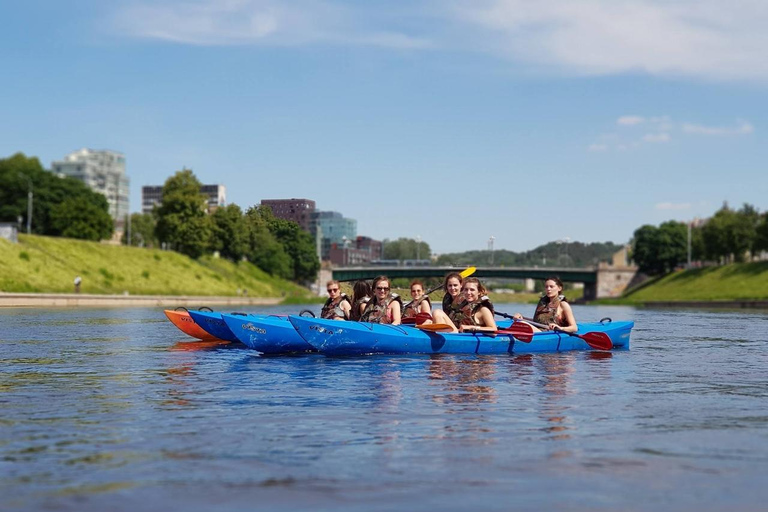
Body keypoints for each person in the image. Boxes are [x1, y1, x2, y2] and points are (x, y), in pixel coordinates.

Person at [513, 276, 577, 333]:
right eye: (546, 287)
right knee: (519, 322)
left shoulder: (563, 305)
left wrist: (560, 328)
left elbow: (574, 328)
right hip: (538, 331)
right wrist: (522, 318)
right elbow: (536, 322)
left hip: (550, 333)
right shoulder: (542, 303)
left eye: (551, 287)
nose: (548, 289)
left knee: (522, 324)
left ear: (559, 288)